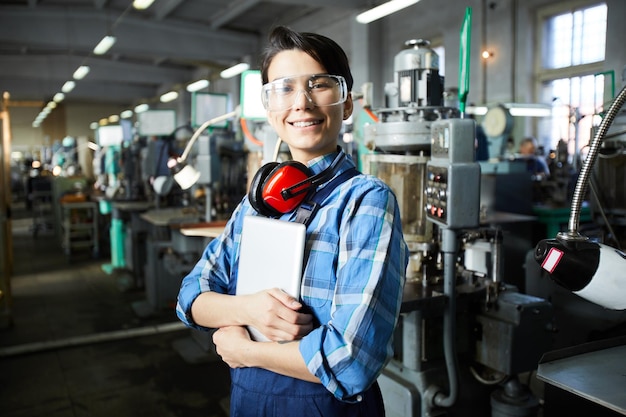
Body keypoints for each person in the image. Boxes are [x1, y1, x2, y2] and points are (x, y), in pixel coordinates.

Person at [176, 26, 409, 416]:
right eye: (283, 88)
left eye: (319, 85)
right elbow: (191, 296)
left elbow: (349, 360)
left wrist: (243, 348)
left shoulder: (365, 201)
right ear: (269, 109)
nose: (301, 103)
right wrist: (247, 311)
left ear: (346, 103)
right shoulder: (258, 203)